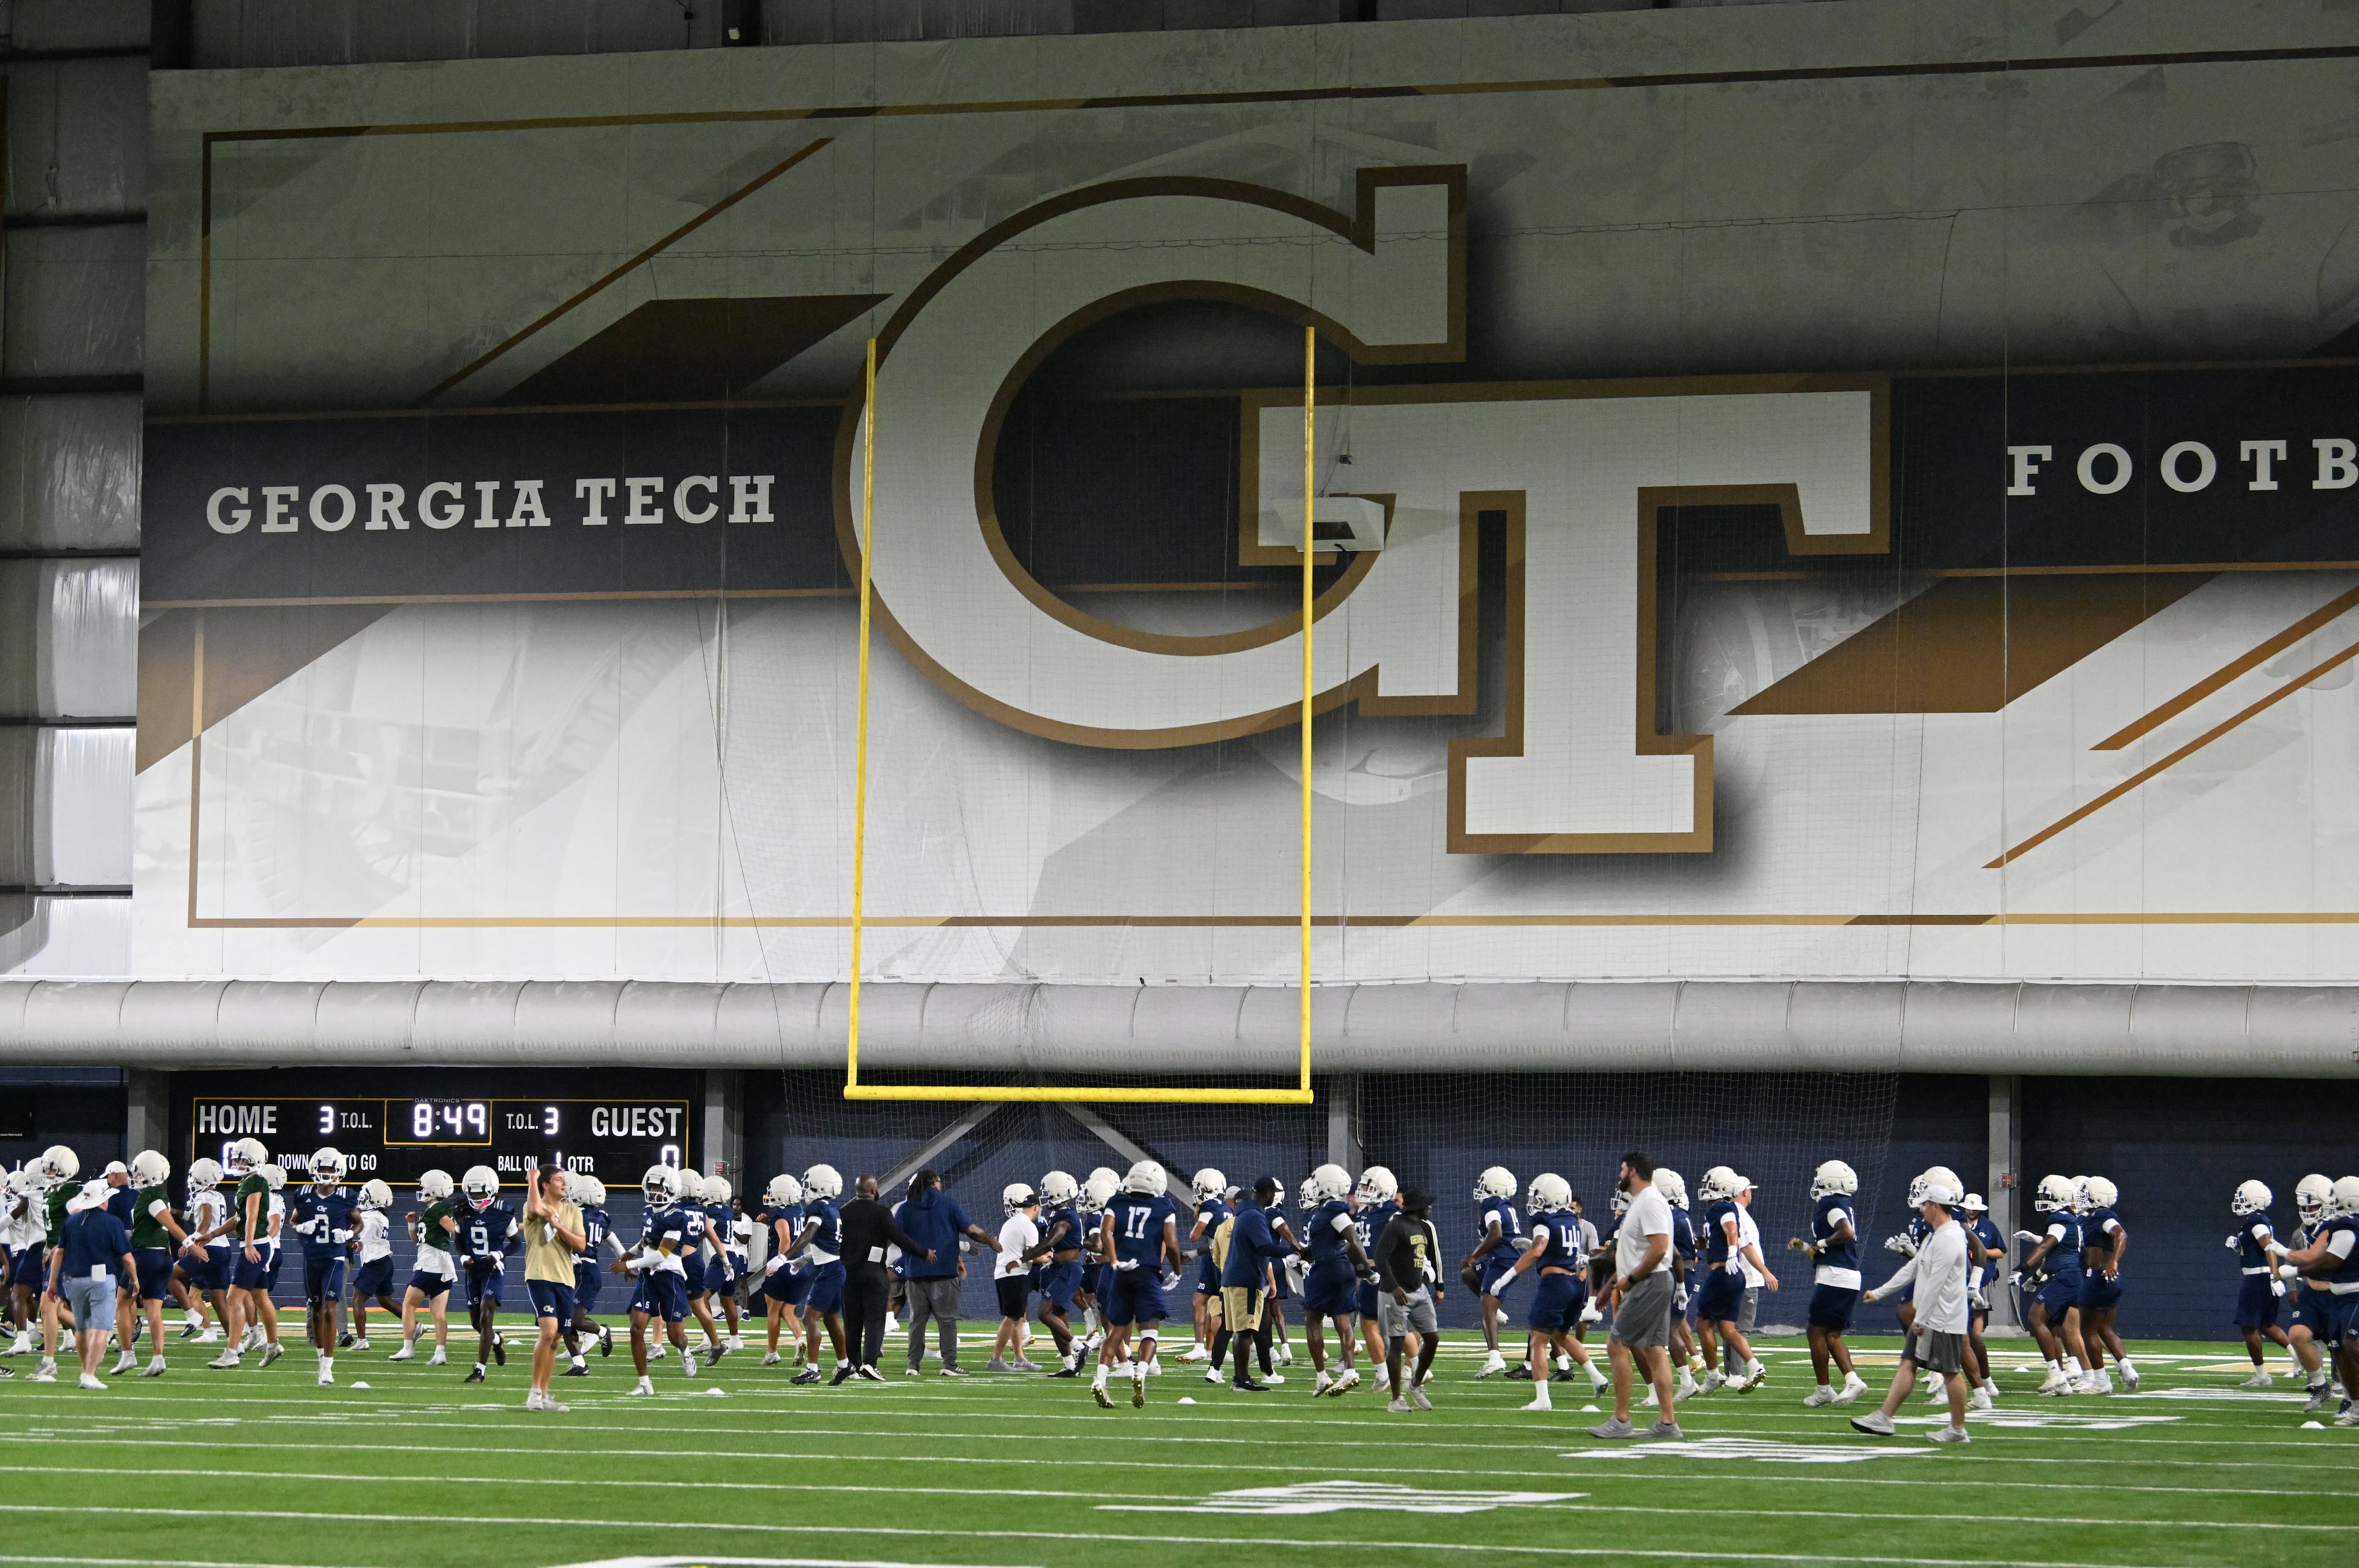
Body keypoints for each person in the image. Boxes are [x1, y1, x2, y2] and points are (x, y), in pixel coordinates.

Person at [1853, 1173, 1974, 1444]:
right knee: (1908, 1363)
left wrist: (1921, 1317)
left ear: (1935, 1205)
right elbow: (1914, 1268)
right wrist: (1881, 1293)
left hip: (1942, 1319)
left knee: (1951, 1373)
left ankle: (1957, 1429)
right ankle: (1884, 1417)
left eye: (1924, 1205)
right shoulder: (1937, 1236)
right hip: (1931, 1317)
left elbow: (1936, 1284)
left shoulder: (1949, 1238)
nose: (1921, 1209)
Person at [1584, 1151, 1680, 1438]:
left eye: (1623, 1169)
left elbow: (1660, 1248)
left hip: (1649, 1282)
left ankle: (1621, 1420)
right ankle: (1667, 1423)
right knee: (1654, 1350)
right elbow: (1633, 1254)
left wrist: (1630, 1281)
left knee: (1616, 1345)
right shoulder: (1642, 1203)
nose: (1620, 1175)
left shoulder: (1650, 1202)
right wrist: (1610, 1286)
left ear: (1634, 1172)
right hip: (1650, 1281)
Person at [896, 1169, 1001, 1378]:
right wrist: (990, 1240)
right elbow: (972, 1230)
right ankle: (949, 1364)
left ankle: (913, 1365)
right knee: (947, 1322)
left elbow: (894, 1235)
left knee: (917, 1322)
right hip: (944, 1273)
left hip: (915, 1275)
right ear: (935, 1183)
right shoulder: (949, 1204)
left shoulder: (905, 1208)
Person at [831, 1171, 932, 1384]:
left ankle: (854, 1365)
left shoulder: (843, 1212)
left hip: (847, 1274)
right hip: (874, 1272)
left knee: (852, 1323)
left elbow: (834, 1242)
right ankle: (870, 1363)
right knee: (875, 1320)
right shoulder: (882, 1213)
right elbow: (900, 1238)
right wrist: (924, 1252)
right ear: (874, 1190)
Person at [2277, 1174, 2359, 1426]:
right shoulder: (2335, 1224)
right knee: (2341, 1352)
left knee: (2353, 1346)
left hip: (2354, 1294)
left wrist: (2293, 1267)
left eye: (2336, 1199)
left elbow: (2330, 1261)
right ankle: (2356, 1408)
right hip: (2338, 1295)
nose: (2331, 1204)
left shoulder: (2349, 1226)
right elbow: (2318, 1256)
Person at [616, 1163, 700, 1395]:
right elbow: (647, 1240)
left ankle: (685, 1351)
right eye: (650, 1186)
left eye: (657, 1187)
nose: (653, 1191)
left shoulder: (677, 1216)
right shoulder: (648, 1212)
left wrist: (628, 1264)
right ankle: (644, 1384)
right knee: (636, 1328)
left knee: (675, 1336)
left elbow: (661, 1255)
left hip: (670, 1276)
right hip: (648, 1277)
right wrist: (631, 1252)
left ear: (671, 1189)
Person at [1794, 1159, 1868, 1408]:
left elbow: (1846, 1233)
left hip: (1835, 1276)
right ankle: (1852, 1379)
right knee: (1832, 1335)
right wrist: (1808, 1247)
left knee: (1814, 1331)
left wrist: (1819, 1244)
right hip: (1847, 1276)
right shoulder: (1842, 1204)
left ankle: (1824, 1390)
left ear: (1829, 1182)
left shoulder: (1831, 1203)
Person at [48, 1180, 134, 1391]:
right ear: (103, 1199)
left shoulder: (71, 1221)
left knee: (83, 1327)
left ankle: (85, 1370)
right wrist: (135, 1279)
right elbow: (127, 1258)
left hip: (73, 1280)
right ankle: (89, 1374)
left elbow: (59, 1253)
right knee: (101, 1328)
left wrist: (52, 1283)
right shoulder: (112, 1222)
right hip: (100, 1279)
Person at [2014, 1173, 2092, 1395]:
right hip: (2067, 1276)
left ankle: (2059, 1374)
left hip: (2067, 1277)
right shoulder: (2069, 1219)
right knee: (2052, 1327)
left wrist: (2021, 1268)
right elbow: (2056, 1247)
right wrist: (2037, 1275)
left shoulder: (2060, 1219)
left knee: (2035, 1318)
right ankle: (2060, 1379)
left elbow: (2048, 1246)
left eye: (2047, 1194)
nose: (2042, 1198)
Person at [519, 1163, 585, 1412]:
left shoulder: (573, 1213)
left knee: (557, 1339)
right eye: (558, 1180)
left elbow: (580, 1245)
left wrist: (558, 1226)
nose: (564, 1183)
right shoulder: (534, 1204)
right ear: (546, 1185)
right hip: (540, 1275)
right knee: (548, 1331)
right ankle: (534, 1392)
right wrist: (532, 1180)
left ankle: (545, 1394)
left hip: (565, 1280)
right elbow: (536, 1208)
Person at [289, 1147, 358, 1386]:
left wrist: (349, 1233)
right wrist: (300, 1228)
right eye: (323, 1168)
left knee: (330, 1308)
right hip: (312, 1257)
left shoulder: (347, 1196)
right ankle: (321, 1360)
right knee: (317, 1309)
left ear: (339, 1171)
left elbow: (358, 1222)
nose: (327, 1173)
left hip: (335, 1257)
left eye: (331, 1169)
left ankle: (328, 1365)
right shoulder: (304, 1194)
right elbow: (294, 1220)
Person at [1209, 1177, 1283, 1392]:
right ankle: (1249, 1377)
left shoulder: (1224, 1227)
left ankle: (1221, 1371)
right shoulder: (1253, 1219)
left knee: (1232, 1329)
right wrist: (1272, 1277)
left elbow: (1216, 1256)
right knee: (1252, 1329)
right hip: (1247, 1281)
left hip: (1227, 1282)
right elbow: (1262, 1252)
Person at [117, 1151, 187, 1380]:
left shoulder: (152, 1199)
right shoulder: (157, 1195)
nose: (135, 1176)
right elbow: (163, 1231)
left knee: (122, 1303)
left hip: (144, 1257)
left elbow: (168, 1222)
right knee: (153, 1310)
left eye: (140, 1172)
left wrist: (189, 1243)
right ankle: (158, 1359)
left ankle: (128, 1354)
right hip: (161, 1257)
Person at [1374, 1186, 1442, 1411]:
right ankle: (1395, 1399)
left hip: (1418, 1290)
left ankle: (1415, 1384)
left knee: (1432, 1339)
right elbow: (1380, 1257)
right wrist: (1394, 1287)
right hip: (1395, 1293)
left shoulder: (1421, 1227)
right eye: (1427, 1205)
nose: (1431, 1209)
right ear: (1419, 1208)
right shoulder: (1396, 1226)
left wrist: (1436, 1286)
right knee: (1396, 1343)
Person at [452, 1165, 516, 1384]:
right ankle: (497, 1341)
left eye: (481, 1193)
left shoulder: (503, 1211)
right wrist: (462, 1257)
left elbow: (516, 1243)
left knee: (486, 1316)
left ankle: (480, 1370)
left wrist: (500, 1253)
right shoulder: (461, 1211)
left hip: (493, 1270)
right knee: (477, 1324)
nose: (477, 1198)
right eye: (474, 1194)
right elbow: (459, 1242)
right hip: (473, 1271)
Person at [389, 1169, 460, 1365]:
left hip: (430, 1264)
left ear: (433, 1188)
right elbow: (416, 1240)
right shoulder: (430, 1211)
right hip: (444, 1267)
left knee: (408, 1305)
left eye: (424, 1186)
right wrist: (412, 1224)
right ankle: (440, 1353)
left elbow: (454, 1229)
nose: (422, 1189)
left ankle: (408, 1348)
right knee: (438, 1314)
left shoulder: (437, 1209)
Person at [2228, 1179, 2294, 1386]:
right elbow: (2258, 1248)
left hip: (2257, 1279)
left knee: (2248, 1327)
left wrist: (2275, 1275)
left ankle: (2262, 1375)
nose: (2239, 1201)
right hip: (2260, 1277)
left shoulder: (2257, 1223)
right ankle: (2298, 1357)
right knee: (2265, 1324)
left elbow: (2270, 1248)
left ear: (2254, 1201)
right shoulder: (2254, 1221)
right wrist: (2238, 1246)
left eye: (2243, 1198)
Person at [788, 1164, 849, 1384]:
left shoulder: (818, 1209)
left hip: (830, 1271)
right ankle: (845, 1365)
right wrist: (804, 1259)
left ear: (820, 1186)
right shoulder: (831, 1208)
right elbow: (825, 1244)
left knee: (809, 1317)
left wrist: (784, 1256)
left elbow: (808, 1234)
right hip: (833, 1267)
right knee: (832, 1320)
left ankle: (812, 1369)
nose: (806, 1189)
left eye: (808, 1185)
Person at [1461, 1165, 1523, 1379]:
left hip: (1503, 1261)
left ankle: (1495, 1358)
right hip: (1503, 1259)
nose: (1480, 1189)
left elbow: (1495, 1234)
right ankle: (1498, 1313)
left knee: (1486, 1309)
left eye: (1484, 1185)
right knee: (1468, 1273)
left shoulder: (1493, 1204)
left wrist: (1475, 1255)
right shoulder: (1505, 1205)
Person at [2075, 1176, 2136, 1392]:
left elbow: (2121, 1234)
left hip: (2097, 1277)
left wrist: (2113, 1261)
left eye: (2086, 1193)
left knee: (2088, 1331)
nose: (2082, 1197)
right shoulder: (2090, 1217)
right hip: (2111, 1279)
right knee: (2104, 1328)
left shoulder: (2102, 1215)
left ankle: (2101, 1381)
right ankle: (2126, 1367)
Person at [989, 1184, 1050, 1371]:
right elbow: (1035, 1255)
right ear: (1035, 1207)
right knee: (1013, 1317)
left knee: (1018, 1318)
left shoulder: (1013, 1222)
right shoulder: (1027, 1225)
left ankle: (1019, 1358)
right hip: (1014, 1275)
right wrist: (1051, 1257)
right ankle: (996, 1359)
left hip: (1005, 1274)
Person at [1352, 1166, 1402, 1392]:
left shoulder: (1392, 1212)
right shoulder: (1365, 1212)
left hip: (1382, 1273)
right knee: (1385, 1323)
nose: (1363, 1190)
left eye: (1368, 1187)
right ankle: (1409, 1368)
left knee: (1376, 1323)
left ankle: (1386, 1374)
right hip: (1369, 1274)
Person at [171, 1158, 230, 1346]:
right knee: (216, 1300)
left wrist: (191, 1242)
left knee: (170, 1274)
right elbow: (201, 1218)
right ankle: (232, 1342)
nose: (192, 1181)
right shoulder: (217, 1197)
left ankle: (193, 1318)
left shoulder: (203, 1197)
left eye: (195, 1178)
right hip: (223, 1249)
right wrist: (177, 1213)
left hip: (208, 1250)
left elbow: (204, 1222)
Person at [1033, 1171, 1086, 1376]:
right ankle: (1071, 1366)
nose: (1045, 1195)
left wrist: (1025, 1257)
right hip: (1056, 1269)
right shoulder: (1057, 1215)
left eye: (1048, 1191)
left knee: (1045, 1314)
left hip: (1067, 1270)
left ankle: (1081, 1348)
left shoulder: (1065, 1218)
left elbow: (1051, 1242)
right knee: (1057, 1318)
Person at [754, 1171, 808, 1367]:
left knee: (773, 1310)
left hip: (784, 1266)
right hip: (800, 1266)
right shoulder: (800, 1213)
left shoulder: (779, 1213)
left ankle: (772, 1352)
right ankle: (800, 1339)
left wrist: (779, 1261)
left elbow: (785, 1238)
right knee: (788, 1311)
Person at [348, 1178, 399, 1352]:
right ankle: (416, 1326)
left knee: (357, 1300)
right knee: (386, 1301)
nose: (362, 1199)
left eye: (366, 1197)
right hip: (385, 1261)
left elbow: (366, 1234)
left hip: (375, 1263)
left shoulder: (370, 1218)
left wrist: (357, 1242)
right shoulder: (381, 1217)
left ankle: (362, 1340)